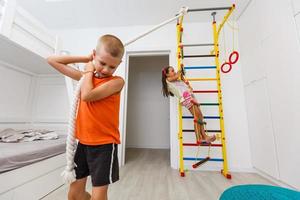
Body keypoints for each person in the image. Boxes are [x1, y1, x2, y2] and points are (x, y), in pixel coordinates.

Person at [47, 34, 125, 200]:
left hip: (104, 146)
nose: (105, 70)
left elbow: (88, 95)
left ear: (118, 65)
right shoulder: (86, 78)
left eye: (112, 67)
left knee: (99, 196)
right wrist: (86, 58)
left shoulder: (117, 82)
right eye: (102, 63)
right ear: (94, 56)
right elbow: (52, 60)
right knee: (74, 195)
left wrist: (90, 69)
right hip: (83, 144)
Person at [161, 66, 216, 144]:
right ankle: (199, 138)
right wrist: (180, 70)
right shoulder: (168, 80)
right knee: (197, 117)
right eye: (172, 71)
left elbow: (185, 83)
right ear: (167, 74)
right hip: (186, 98)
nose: (174, 72)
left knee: (200, 116)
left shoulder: (178, 80)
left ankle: (204, 136)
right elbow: (177, 76)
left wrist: (183, 77)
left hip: (191, 97)